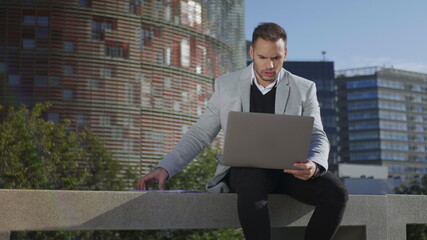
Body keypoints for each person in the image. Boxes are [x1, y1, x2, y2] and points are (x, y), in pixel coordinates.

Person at [138, 22, 348, 240]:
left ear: (285, 54)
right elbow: (200, 134)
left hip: (289, 172)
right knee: (251, 177)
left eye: (276, 58)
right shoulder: (225, 86)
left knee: (337, 193)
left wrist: (314, 165)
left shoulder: (304, 88)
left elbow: (317, 135)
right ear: (252, 53)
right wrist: (165, 168)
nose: (270, 65)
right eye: (262, 57)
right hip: (245, 173)